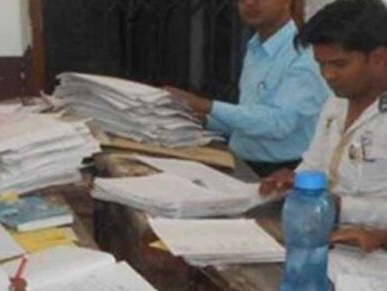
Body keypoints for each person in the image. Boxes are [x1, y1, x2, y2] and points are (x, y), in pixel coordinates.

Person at [260, 0, 387, 228]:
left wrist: (341, 207)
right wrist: (293, 182)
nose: (328, 75)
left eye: (339, 64)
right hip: (320, 230)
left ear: (379, 58)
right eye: (321, 64)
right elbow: (314, 166)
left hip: (370, 245)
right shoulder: (335, 103)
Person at [166, 0, 330, 176]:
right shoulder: (255, 46)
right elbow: (249, 119)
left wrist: (207, 106)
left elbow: (279, 123)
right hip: (240, 161)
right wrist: (204, 119)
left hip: (280, 173)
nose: (249, 3)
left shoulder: (304, 54)